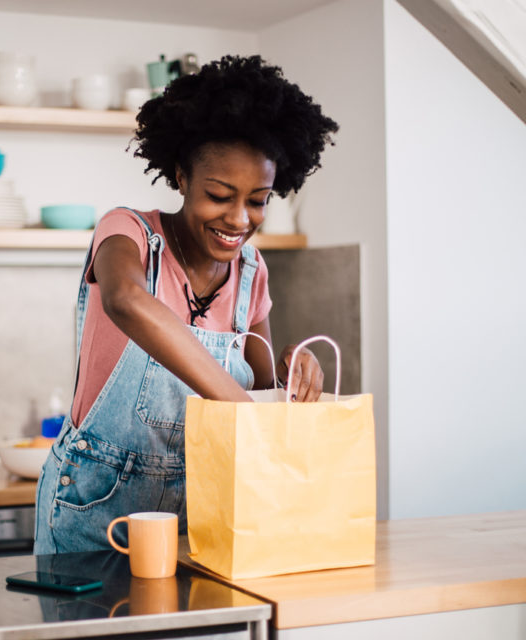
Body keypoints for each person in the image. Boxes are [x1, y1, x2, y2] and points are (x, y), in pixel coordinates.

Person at [34, 54, 339, 555]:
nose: (239, 219)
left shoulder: (251, 273)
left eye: (258, 200)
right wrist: (239, 405)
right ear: (181, 177)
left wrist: (295, 374)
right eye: (220, 195)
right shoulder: (128, 232)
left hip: (200, 518)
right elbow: (128, 301)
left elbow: (264, 394)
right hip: (93, 513)